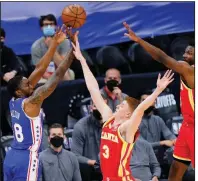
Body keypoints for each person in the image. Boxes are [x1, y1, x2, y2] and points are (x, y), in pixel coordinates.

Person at [72, 36, 174, 181]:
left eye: (123, 105)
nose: (118, 105)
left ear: (128, 114)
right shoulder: (108, 117)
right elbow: (93, 88)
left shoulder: (127, 128)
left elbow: (139, 110)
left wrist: (157, 91)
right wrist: (82, 60)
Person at [3, 26, 78, 181]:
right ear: (19, 91)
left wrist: (54, 44)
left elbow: (40, 68)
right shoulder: (32, 101)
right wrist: (73, 50)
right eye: (27, 85)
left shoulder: (14, 99)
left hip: (11, 157)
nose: (32, 85)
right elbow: (57, 75)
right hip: (27, 159)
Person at [123, 22, 195, 181]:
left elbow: (162, 58)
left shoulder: (190, 70)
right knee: (176, 168)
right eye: (185, 51)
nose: (185, 54)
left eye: (190, 52)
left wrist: (140, 41)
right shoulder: (188, 68)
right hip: (187, 126)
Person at [31, 14, 74, 82]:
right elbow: (39, 70)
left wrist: (52, 47)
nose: (49, 26)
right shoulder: (36, 46)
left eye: (51, 24)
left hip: (61, 70)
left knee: (67, 74)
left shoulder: (64, 41)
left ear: (56, 26)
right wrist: (53, 80)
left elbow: (63, 65)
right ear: (41, 28)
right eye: (46, 24)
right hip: (45, 75)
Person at [71, 99, 105, 181]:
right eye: (96, 106)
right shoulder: (81, 126)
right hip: (91, 171)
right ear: (90, 108)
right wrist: (91, 162)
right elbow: (75, 155)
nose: (99, 108)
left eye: (102, 105)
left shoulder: (113, 124)